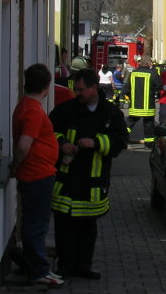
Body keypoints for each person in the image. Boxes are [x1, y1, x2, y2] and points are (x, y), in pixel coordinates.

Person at [49, 68, 127, 280]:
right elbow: (50, 131)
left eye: (82, 89)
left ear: (94, 87)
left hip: (93, 181)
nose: (78, 93)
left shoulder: (110, 113)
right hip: (67, 179)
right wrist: (62, 143)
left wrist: (96, 143)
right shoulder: (66, 110)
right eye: (76, 89)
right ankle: (65, 266)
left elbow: (120, 141)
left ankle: (84, 266)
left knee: (87, 227)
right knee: (64, 226)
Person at [11, 63, 63, 287]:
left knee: (35, 222)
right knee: (37, 224)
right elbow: (24, 145)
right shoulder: (32, 110)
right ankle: (38, 270)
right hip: (37, 175)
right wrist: (16, 165)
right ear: (46, 87)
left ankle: (35, 265)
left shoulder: (25, 106)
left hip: (37, 173)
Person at [123, 55, 162, 145]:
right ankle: (149, 144)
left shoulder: (133, 73)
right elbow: (159, 86)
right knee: (148, 126)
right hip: (148, 107)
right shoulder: (153, 73)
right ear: (149, 63)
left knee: (129, 123)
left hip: (135, 105)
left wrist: (129, 97)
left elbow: (127, 88)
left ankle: (123, 137)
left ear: (140, 63)